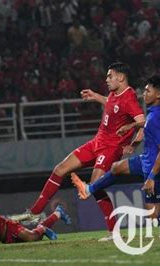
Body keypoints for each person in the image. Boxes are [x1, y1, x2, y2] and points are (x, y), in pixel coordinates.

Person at [12, 62, 145, 241]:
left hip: (111, 148)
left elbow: (143, 122)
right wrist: (96, 96)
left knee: (94, 186)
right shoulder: (115, 94)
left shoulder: (129, 97)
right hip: (96, 142)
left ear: (120, 77)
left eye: (109, 76)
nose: (106, 79)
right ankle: (35, 212)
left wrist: (133, 144)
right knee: (60, 169)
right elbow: (114, 105)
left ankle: (113, 232)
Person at [71, 75, 160, 226]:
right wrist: (132, 127)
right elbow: (150, 124)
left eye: (147, 91)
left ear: (158, 94)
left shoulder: (155, 118)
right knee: (116, 167)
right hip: (147, 159)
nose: (143, 94)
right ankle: (89, 189)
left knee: (154, 217)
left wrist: (151, 177)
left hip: (153, 166)